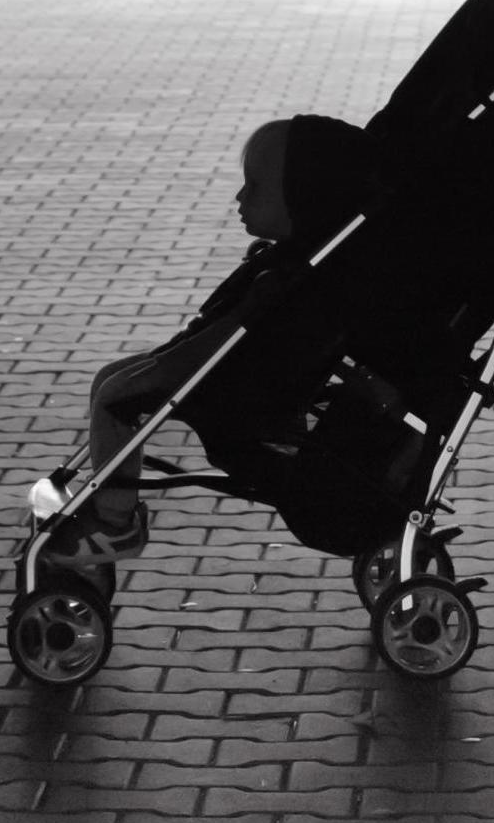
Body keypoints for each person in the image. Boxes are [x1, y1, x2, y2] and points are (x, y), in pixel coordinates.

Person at [42, 113, 380, 566]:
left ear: (303, 197)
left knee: (116, 397)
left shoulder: (286, 282)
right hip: (243, 375)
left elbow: (216, 343)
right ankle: (110, 505)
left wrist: (164, 364)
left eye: (255, 187)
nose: (241, 197)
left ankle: (115, 521)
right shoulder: (298, 267)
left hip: (233, 385)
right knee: (112, 377)